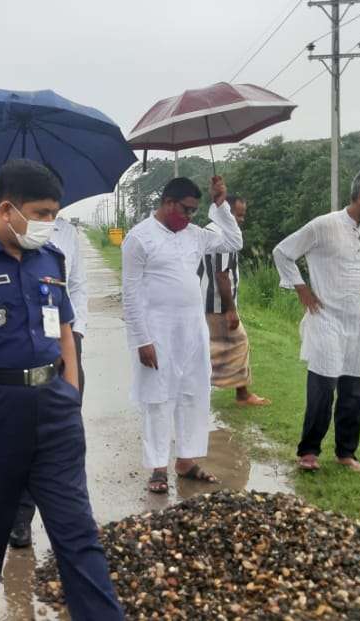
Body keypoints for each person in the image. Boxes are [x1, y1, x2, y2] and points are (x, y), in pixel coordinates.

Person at [0, 159, 123, 621]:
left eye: (55, 213)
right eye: (42, 212)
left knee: (78, 534)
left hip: (53, 411)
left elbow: (66, 329)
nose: (49, 223)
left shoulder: (49, 258)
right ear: (7, 209)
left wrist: (70, 393)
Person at [122, 176, 242, 494]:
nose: (189, 216)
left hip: (192, 329)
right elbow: (130, 294)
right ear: (168, 203)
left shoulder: (196, 235)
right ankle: (158, 467)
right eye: (186, 209)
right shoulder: (139, 238)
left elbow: (233, 242)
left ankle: (186, 461)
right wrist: (141, 340)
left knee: (193, 393)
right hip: (156, 331)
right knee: (158, 398)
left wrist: (221, 205)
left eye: (194, 211)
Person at [273, 168, 360, 474]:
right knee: (323, 388)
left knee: (356, 388)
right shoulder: (323, 226)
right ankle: (309, 452)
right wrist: (301, 289)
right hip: (326, 318)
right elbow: (283, 252)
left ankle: (346, 453)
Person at [8, 214, 87, 549]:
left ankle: (70, 522)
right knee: (24, 436)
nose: (46, 215)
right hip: (24, 352)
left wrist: (75, 332)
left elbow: (78, 285)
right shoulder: (6, 237)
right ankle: (20, 518)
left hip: (64, 341)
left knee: (63, 435)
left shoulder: (67, 237)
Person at [200, 195, 270, 408]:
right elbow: (222, 275)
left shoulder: (208, 230)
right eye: (238, 215)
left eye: (242, 215)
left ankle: (231, 389)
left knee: (211, 345)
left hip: (204, 300)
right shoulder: (222, 235)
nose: (241, 220)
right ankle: (241, 394)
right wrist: (231, 310)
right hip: (218, 304)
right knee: (238, 343)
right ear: (226, 213)